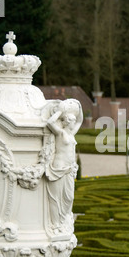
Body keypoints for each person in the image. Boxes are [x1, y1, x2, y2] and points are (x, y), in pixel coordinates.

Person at [45, 100, 83, 234]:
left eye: (74, 121)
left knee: (69, 197)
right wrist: (60, 111)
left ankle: (63, 221)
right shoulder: (60, 133)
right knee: (56, 198)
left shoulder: (72, 134)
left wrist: (79, 106)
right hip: (59, 168)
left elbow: (80, 121)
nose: (74, 123)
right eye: (72, 121)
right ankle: (55, 224)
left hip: (69, 169)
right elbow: (49, 123)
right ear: (67, 121)